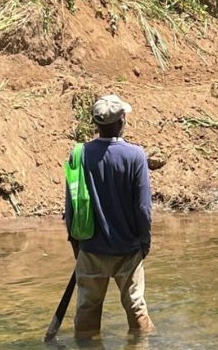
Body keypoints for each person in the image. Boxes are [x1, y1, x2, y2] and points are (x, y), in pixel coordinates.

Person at [64, 94, 155, 338]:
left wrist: (75, 243)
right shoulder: (135, 155)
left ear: (96, 124)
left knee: (87, 309)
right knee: (136, 307)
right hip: (128, 249)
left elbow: (71, 204)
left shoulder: (79, 154)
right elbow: (143, 208)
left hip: (91, 247)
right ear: (122, 121)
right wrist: (144, 242)